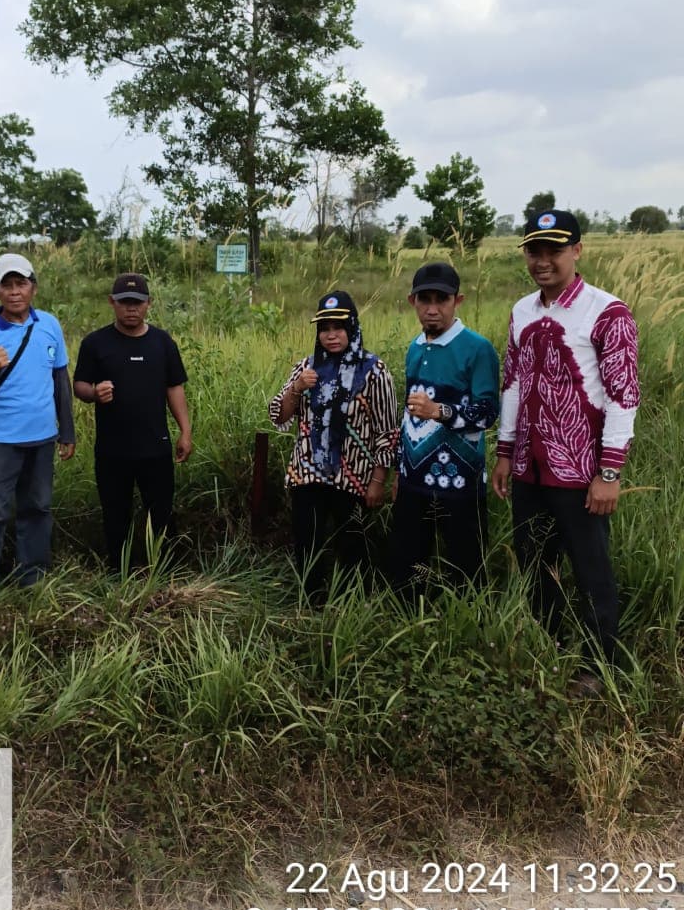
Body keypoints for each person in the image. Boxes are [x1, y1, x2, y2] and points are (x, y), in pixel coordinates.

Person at [491, 210, 639, 698]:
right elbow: (511, 384)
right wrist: (505, 451)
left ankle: (600, 667)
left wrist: (610, 472)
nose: (543, 260)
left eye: (554, 250)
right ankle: (548, 649)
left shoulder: (605, 312)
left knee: (590, 568)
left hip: (580, 472)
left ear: (578, 250)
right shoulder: (522, 312)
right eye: (534, 251)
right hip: (531, 468)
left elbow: (623, 396)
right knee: (536, 563)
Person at [0, 253, 75, 601]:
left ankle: (32, 580)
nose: (14, 292)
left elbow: (61, 381)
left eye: (21, 284)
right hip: (0, 440)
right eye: (6, 285)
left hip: (42, 438)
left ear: (33, 288)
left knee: (37, 510)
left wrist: (67, 432)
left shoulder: (49, 325)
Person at [269, 291, 396, 594]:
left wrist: (378, 480)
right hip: (307, 472)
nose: (331, 335)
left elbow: (388, 431)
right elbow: (278, 415)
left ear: (352, 328)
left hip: (353, 477)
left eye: (339, 328)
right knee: (306, 542)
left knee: (353, 545)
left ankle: (355, 605)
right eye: (324, 329)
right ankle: (310, 603)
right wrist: (297, 389)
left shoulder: (374, 372)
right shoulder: (307, 367)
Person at [390, 263, 500, 598]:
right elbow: (409, 417)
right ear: (413, 301)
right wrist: (399, 469)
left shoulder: (478, 349)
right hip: (413, 478)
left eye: (442, 300)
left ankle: (469, 628)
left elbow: (487, 413)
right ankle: (408, 622)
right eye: (425, 300)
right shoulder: (414, 347)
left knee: (465, 564)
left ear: (458, 301)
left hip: (460, 481)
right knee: (407, 561)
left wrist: (441, 411)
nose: (433, 309)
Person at [73, 272, 191, 570]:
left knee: (161, 513)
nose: (131, 308)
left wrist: (185, 431)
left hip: (156, 447)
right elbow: (79, 385)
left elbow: (174, 387)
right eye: (124, 302)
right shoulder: (95, 343)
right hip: (112, 450)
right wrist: (95, 393)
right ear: (112, 302)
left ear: (149, 303)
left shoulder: (163, 343)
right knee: (115, 514)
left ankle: (163, 571)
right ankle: (119, 572)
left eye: (137, 302)